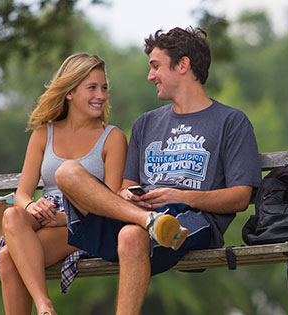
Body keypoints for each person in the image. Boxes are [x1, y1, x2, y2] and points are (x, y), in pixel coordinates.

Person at [55, 26, 262, 314]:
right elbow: (125, 187)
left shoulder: (231, 121)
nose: (150, 76)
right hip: (140, 218)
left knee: (130, 236)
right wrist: (131, 198)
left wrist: (178, 196)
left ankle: (151, 223)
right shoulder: (145, 124)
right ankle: (149, 220)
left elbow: (240, 197)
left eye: (156, 66)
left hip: (192, 220)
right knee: (66, 172)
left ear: (183, 65)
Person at [0, 52, 127, 315]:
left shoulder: (112, 138)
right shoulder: (43, 134)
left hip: (85, 222)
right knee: (12, 215)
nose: (101, 95)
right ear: (69, 92)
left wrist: (64, 218)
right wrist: (32, 207)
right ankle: (44, 306)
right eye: (92, 88)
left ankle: (44, 307)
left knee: (8, 257)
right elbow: (22, 193)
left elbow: (111, 203)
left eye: (104, 88)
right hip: (44, 217)